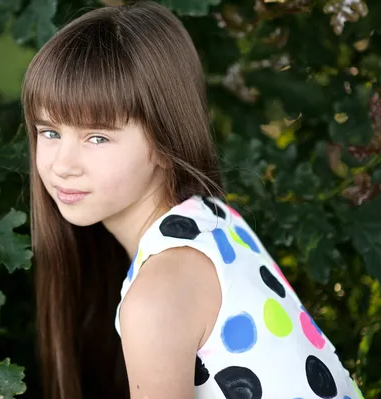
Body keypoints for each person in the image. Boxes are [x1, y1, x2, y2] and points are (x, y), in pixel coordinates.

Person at [21, 1, 365, 398]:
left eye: (97, 137)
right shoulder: (214, 218)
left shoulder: (157, 295)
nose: (63, 164)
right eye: (49, 132)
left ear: (165, 141)